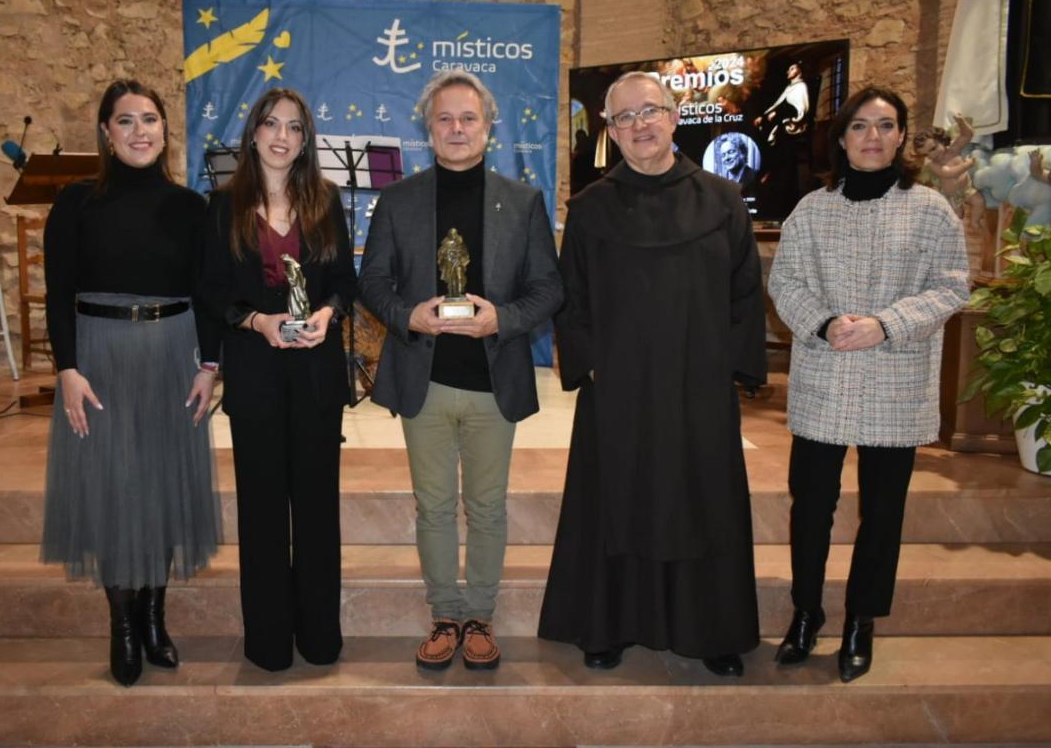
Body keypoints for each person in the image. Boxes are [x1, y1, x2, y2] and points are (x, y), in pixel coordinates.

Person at [538, 70, 766, 678]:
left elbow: (746, 292)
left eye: (649, 112)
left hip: (700, 386)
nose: (639, 125)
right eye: (623, 118)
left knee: (703, 500)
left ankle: (711, 630)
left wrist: (737, 370)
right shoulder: (589, 210)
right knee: (617, 498)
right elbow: (573, 298)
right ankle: (608, 624)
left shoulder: (721, 201)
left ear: (672, 117)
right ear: (610, 131)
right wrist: (587, 369)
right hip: (619, 389)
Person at [359, 70, 562, 671]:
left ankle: (480, 617)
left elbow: (549, 288)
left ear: (488, 126)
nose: (456, 128)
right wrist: (408, 316)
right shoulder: (398, 200)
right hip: (424, 379)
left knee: (490, 507)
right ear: (427, 127)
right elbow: (372, 281)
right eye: (444, 118)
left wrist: (501, 317)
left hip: (492, 383)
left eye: (467, 118)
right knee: (435, 506)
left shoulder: (522, 201)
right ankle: (445, 614)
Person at [767, 86, 969, 682]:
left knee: (883, 511)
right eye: (860, 127)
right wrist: (827, 323)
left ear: (902, 136)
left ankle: (862, 621)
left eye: (885, 126)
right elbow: (787, 283)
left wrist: (886, 325)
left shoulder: (931, 208)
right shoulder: (813, 208)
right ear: (842, 137)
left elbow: (952, 286)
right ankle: (806, 613)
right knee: (812, 507)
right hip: (825, 376)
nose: (872, 137)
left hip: (895, 379)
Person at [41, 79, 222, 687]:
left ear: (166, 131)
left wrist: (209, 366)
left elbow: (208, 293)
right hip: (100, 361)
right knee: (115, 490)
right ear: (105, 132)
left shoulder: (192, 208)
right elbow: (58, 293)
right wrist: (66, 369)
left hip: (174, 356)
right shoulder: (75, 203)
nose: (140, 131)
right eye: (126, 121)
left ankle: (153, 619)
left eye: (150, 120)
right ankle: (121, 623)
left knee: (163, 487)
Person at [200, 87, 355, 672]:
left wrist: (327, 313)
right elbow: (212, 291)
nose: (282, 136)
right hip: (256, 373)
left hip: (316, 377)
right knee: (263, 513)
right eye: (271, 124)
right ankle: (267, 642)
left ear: (305, 140)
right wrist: (258, 320)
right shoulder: (222, 205)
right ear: (254, 133)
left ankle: (320, 637)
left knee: (316, 511)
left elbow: (344, 280)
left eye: (294, 127)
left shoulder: (326, 199)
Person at [755, 61, 810, 144]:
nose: (788, 72)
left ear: (799, 71)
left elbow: (798, 110)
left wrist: (777, 113)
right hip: (779, 120)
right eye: (788, 69)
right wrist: (763, 116)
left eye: (792, 69)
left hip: (791, 125)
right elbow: (778, 105)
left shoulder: (801, 86)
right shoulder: (789, 87)